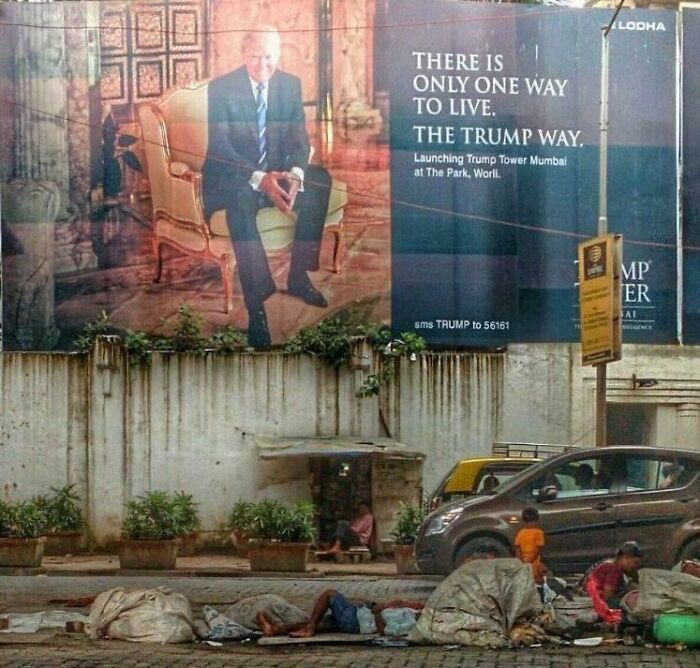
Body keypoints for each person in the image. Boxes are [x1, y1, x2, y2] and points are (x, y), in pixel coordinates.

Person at [202, 26, 332, 346]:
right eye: (256, 56)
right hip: (235, 176)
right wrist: (262, 179)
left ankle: (298, 276)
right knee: (239, 203)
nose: (263, 64)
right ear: (244, 55)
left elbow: (299, 139)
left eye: (270, 56)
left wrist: (295, 176)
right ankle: (256, 305)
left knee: (320, 180)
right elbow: (220, 148)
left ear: (279, 54)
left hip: (277, 171)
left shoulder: (290, 85)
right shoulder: (222, 88)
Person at [256, 589, 424, 638]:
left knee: (329, 594)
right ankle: (275, 630)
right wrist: (388, 605)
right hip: (359, 616)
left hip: (357, 622)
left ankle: (310, 629)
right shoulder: (411, 612)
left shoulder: (411, 624)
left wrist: (378, 611)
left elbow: (384, 630)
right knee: (321, 622)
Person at [584, 541, 643, 626]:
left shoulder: (611, 564)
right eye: (635, 562)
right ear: (625, 558)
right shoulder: (615, 570)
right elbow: (607, 596)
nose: (636, 566)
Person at [514, 506, 546, 584]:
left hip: (524, 563)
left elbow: (517, 548)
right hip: (533, 563)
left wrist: (521, 561)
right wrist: (529, 560)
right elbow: (538, 549)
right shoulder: (539, 532)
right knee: (534, 581)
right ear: (537, 520)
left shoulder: (521, 532)